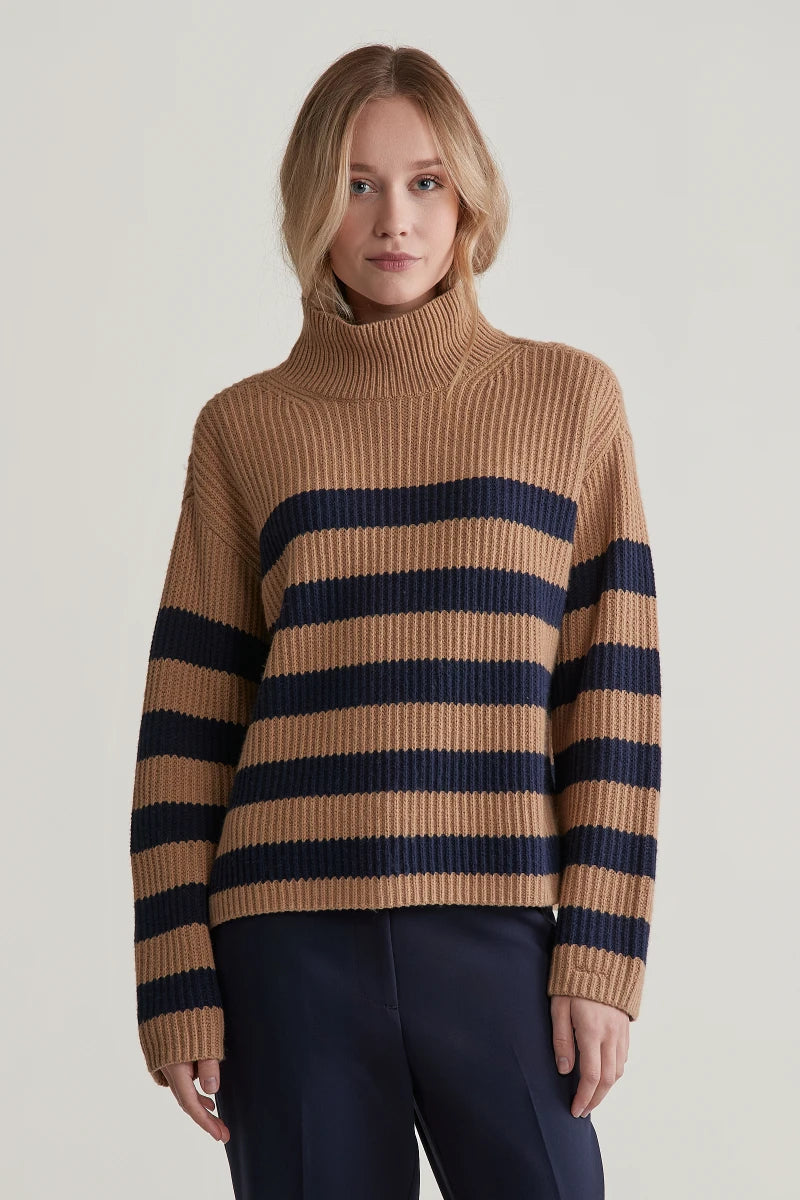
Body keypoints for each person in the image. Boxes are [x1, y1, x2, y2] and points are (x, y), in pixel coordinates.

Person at [130, 43, 661, 1200]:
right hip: (286, 950)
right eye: (355, 184)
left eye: (423, 181)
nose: (393, 219)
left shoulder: (569, 401)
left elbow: (611, 696)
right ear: (310, 204)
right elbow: (188, 723)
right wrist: (176, 977)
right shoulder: (244, 428)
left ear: (467, 194)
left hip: (498, 940)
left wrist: (601, 951)